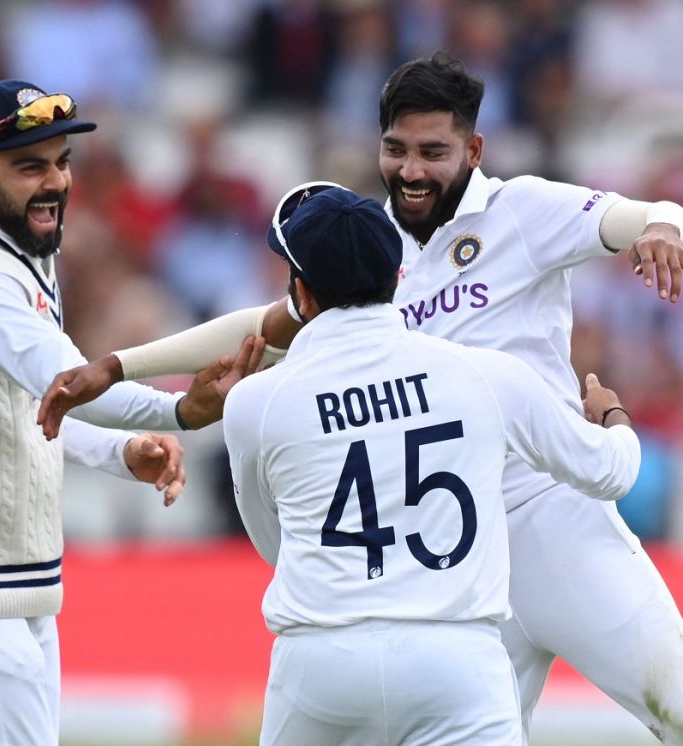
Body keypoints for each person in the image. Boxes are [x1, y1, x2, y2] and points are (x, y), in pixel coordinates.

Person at [39, 56, 683, 745]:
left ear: (475, 151)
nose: (411, 169)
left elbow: (658, 216)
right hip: (452, 548)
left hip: (548, 511)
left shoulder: (522, 211)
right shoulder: (370, 242)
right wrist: (118, 364)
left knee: (681, 697)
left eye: (434, 151)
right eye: (397, 149)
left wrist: (660, 227)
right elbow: (267, 326)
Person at [0, 79, 257, 745]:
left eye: (61, 163)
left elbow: (35, 404)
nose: (54, 183)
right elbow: (70, 380)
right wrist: (178, 412)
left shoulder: (14, 244)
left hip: (9, 571)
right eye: (29, 167)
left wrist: (118, 451)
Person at [225, 184, 640, 745]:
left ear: (300, 289)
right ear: (398, 277)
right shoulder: (486, 376)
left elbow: (275, 544)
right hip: (457, 657)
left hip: (320, 662)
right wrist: (612, 413)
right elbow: (612, 473)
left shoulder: (255, 402)